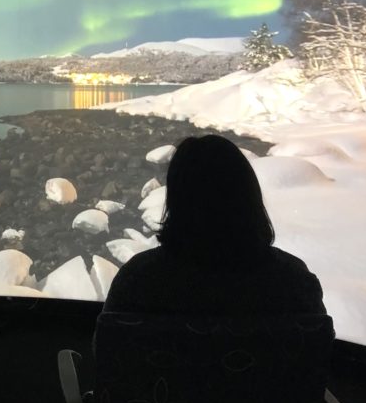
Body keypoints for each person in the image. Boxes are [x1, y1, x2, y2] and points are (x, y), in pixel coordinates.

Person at [103, 134, 325, 315]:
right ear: (249, 196)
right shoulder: (292, 282)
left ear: (176, 200)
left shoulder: (139, 280)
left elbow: (109, 355)